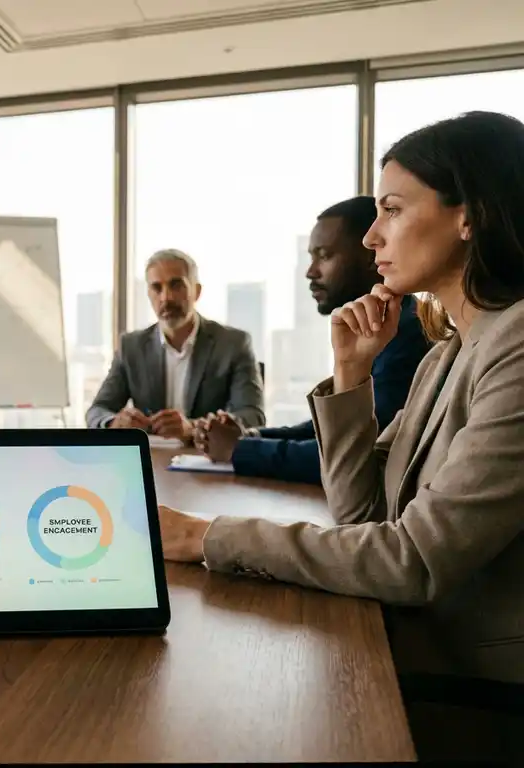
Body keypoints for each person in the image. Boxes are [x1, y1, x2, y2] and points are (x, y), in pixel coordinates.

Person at [158, 111, 524, 691]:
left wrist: (203, 536)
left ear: (469, 216)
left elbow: (413, 560)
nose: (371, 236)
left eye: (393, 210)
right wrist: (351, 371)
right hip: (419, 649)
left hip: (475, 683)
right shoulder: (447, 353)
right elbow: (362, 516)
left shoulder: (517, 346)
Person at [194, 196, 431, 484]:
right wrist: (251, 436)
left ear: (372, 256)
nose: (310, 271)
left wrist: (240, 449)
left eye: (324, 255)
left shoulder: (408, 334)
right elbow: (334, 429)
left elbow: (352, 453)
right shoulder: (380, 325)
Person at [86, 248, 265, 438]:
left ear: (196, 291)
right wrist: (114, 422)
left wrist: (193, 428)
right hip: (152, 460)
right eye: (157, 288)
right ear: (149, 295)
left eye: (176, 285)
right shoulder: (131, 347)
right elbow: (97, 411)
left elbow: (252, 416)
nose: (166, 298)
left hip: (209, 461)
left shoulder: (233, 344)